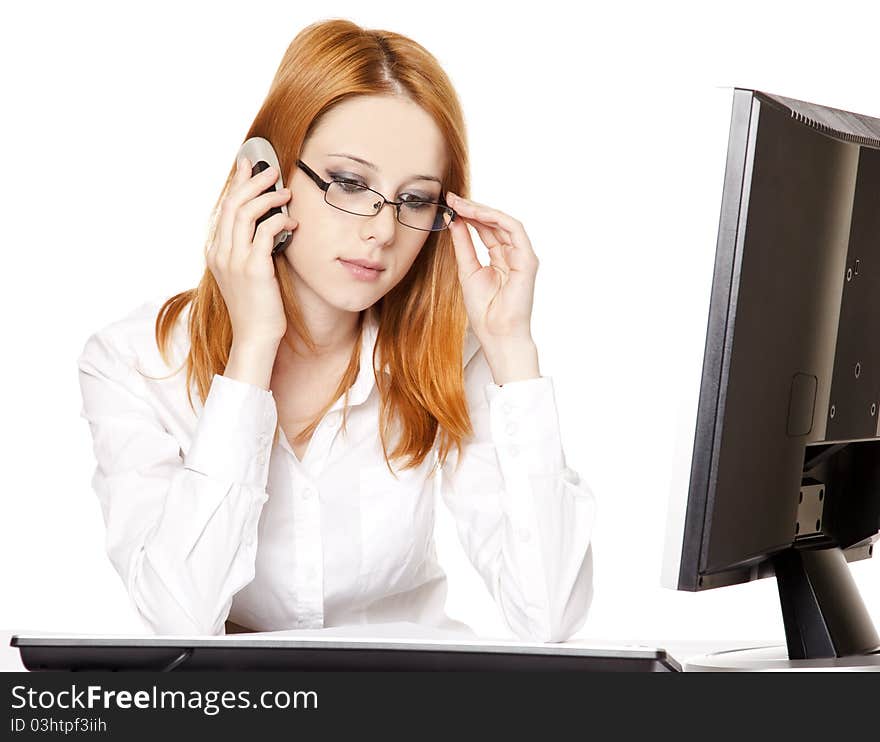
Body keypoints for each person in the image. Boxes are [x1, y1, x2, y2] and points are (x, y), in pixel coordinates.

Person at [76, 18, 596, 641]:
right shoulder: (134, 362)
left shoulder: (452, 356)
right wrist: (251, 353)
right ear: (264, 174)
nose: (382, 230)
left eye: (415, 199)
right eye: (351, 184)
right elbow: (181, 620)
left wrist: (512, 348)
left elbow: (549, 619)